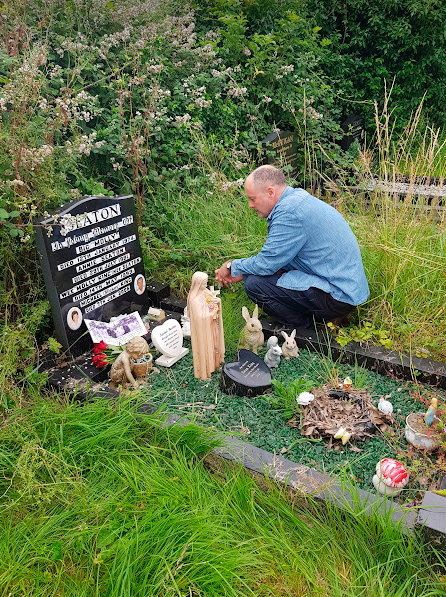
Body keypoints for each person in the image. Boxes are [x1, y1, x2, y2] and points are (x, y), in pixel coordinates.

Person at [215, 165, 369, 329]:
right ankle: (323, 317)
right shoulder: (296, 200)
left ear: (270, 192)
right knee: (261, 276)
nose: (250, 205)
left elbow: (267, 263)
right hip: (346, 288)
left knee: (255, 285)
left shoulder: (289, 213)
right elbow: (278, 259)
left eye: (252, 199)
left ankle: (304, 327)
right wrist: (244, 272)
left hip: (339, 295)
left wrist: (233, 266)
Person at [187, 271, 225, 380]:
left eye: (206, 282)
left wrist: (217, 301)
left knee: (214, 345)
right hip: (203, 331)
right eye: (204, 283)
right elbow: (199, 317)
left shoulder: (205, 292)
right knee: (205, 348)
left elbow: (211, 300)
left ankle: (215, 364)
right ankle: (205, 370)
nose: (206, 285)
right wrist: (212, 313)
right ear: (198, 283)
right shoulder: (194, 300)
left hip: (211, 327)